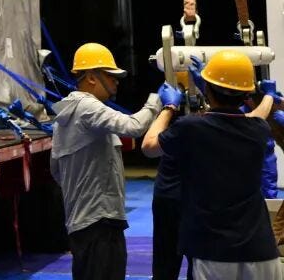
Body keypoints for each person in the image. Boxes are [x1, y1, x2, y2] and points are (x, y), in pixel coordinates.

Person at [142, 49, 282, 280]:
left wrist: (168, 108)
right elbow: (257, 114)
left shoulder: (190, 129)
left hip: (214, 252)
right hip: (262, 252)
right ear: (246, 93)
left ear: (207, 89)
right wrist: (267, 95)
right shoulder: (258, 129)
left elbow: (149, 146)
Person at [50, 42, 178, 280]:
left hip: (83, 224)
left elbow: (56, 170)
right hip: (101, 223)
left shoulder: (65, 115)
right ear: (90, 77)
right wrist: (160, 101)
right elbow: (134, 126)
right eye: (111, 76)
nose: (116, 81)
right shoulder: (87, 107)